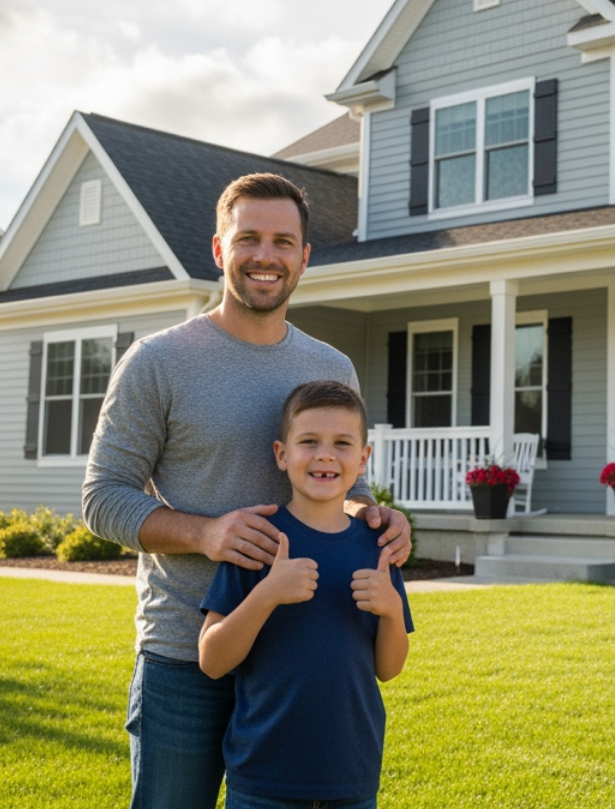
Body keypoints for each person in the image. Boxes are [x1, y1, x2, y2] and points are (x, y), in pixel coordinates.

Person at [82, 172, 411, 809]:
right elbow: (103, 496)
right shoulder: (158, 360)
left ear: (305, 257)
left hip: (300, 658)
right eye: (249, 238)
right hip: (186, 652)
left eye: (284, 242)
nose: (267, 256)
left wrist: (378, 518)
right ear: (218, 249)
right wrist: (206, 533)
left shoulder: (330, 366)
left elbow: (351, 486)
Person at [199, 380, 412, 809]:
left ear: (363, 459)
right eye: (309, 441)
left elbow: (388, 670)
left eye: (342, 443)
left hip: (350, 776)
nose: (325, 455)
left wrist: (391, 613)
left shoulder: (377, 547)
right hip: (263, 778)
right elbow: (212, 659)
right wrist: (267, 595)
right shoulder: (259, 538)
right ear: (282, 454)